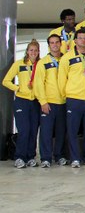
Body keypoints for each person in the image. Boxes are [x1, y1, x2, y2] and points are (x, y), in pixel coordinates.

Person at [58, 29, 85, 167]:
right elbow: (61, 79)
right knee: (72, 130)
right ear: (75, 40)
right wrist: (66, 95)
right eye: (80, 38)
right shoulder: (67, 57)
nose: (83, 40)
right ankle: (75, 158)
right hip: (73, 98)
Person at [2, 40, 41, 168]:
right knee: (24, 130)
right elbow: (6, 81)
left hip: (35, 101)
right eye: (31, 50)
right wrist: (18, 88)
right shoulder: (19, 64)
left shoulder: (40, 65)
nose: (33, 53)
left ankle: (30, 157)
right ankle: (19, 157)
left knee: (33, 130)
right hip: (22, 101)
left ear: (38, 52)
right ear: (27, 51)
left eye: (35, 50)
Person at [34, 35, 67, 167]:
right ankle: (46, 158)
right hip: (49, 102)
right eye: (52, 43)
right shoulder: (43, 62)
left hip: (64, 102)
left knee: (61, 132)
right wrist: (43, 102)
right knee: (46, 132)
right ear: (49, 46)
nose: (55, 45)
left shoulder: (66, 59)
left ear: (60, 44)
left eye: (57, 42)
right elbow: (38, 84)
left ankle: (59, 156)